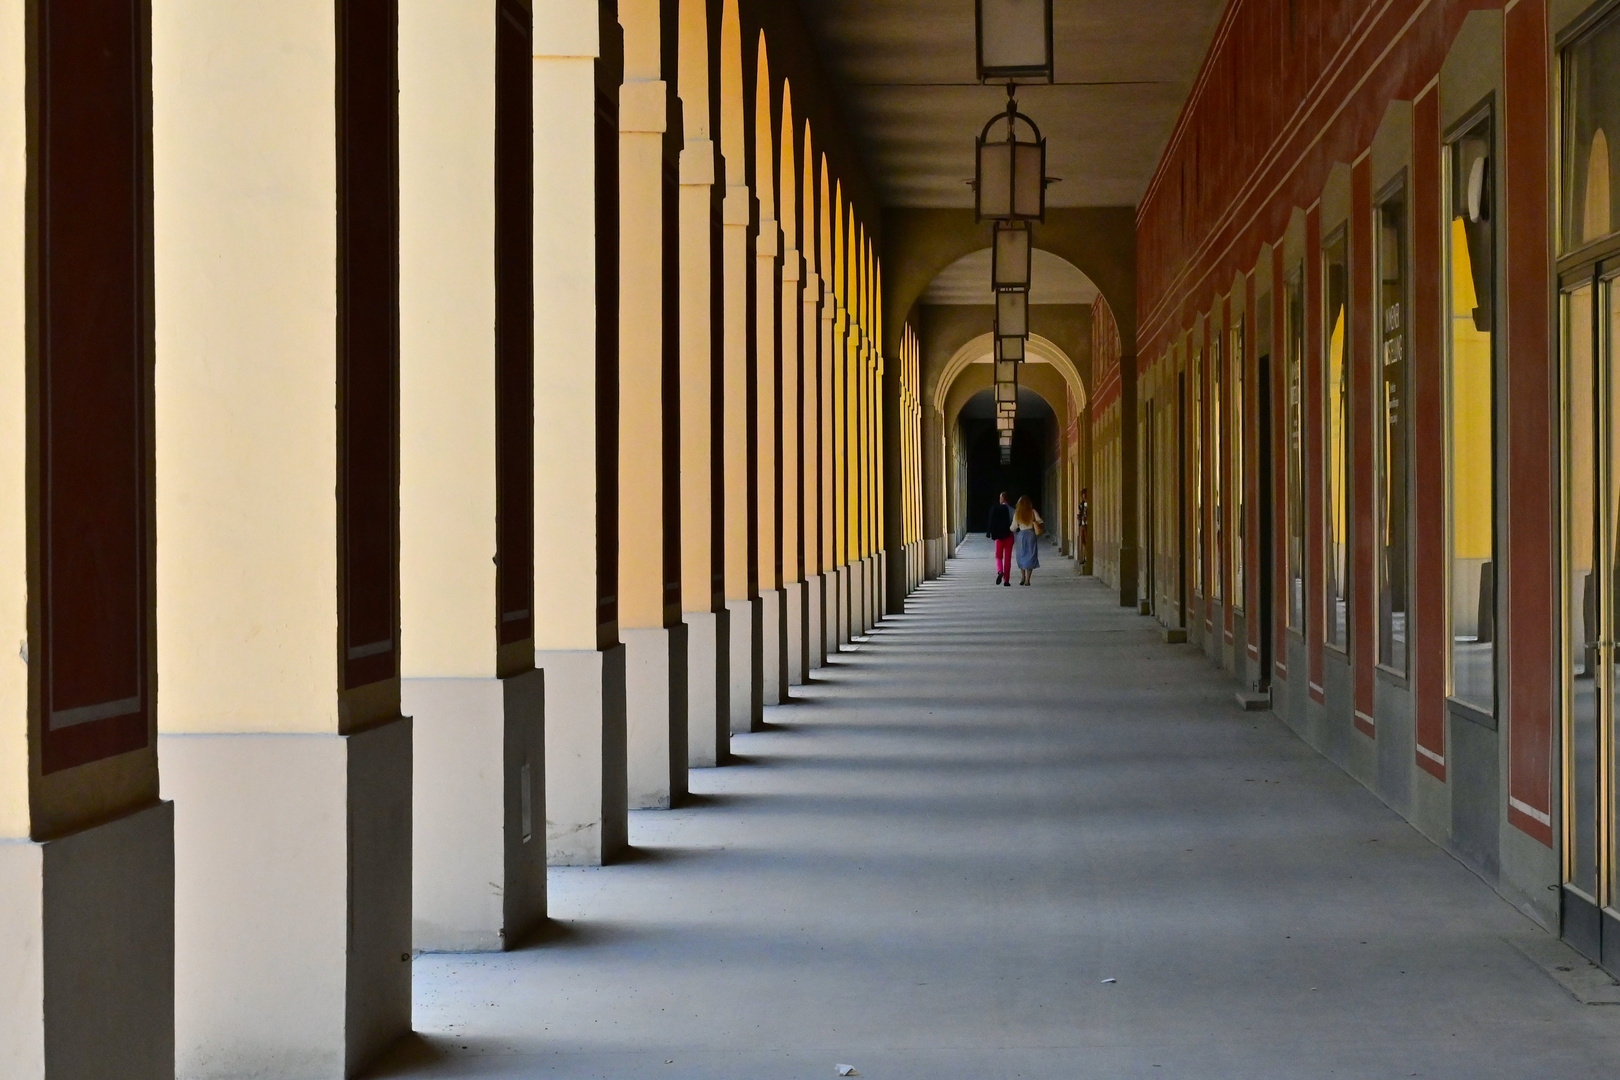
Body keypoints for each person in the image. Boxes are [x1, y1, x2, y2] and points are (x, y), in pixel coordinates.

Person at [1012, 495, 1044, 586]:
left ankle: (1022, 577)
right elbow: (1040, 521)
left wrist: (1012, 529)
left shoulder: (1017, 513)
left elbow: (1013, 527)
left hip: (1021, 535)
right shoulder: (1033, 512)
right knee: (1031, 555)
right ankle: (1028, 579)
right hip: (1031, 534)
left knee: (1021, 555)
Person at [987, 492, 1015, 586]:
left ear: (1003, 498)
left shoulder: (996, 509)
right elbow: (1013, 523)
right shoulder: (1012, 510)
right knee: (1007, 559)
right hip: (1009, 535)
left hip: (999, 536)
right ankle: (1006, 580)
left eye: (1000, 497)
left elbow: (992, 521)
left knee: (998, 556)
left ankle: (1000, 571)